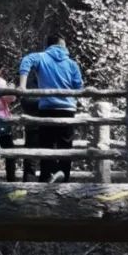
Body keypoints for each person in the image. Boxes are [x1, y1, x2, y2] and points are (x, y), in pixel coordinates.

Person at [18, 34, 83, 182]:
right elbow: (79, 86)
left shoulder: (41, 57)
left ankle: (47, 176)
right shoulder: (72, 64)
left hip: (47, 107)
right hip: (67, 109)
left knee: (46, 144)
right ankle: (62, 174)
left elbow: (26, 61)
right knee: (65, 145)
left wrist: (22, 84)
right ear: (61, 44)